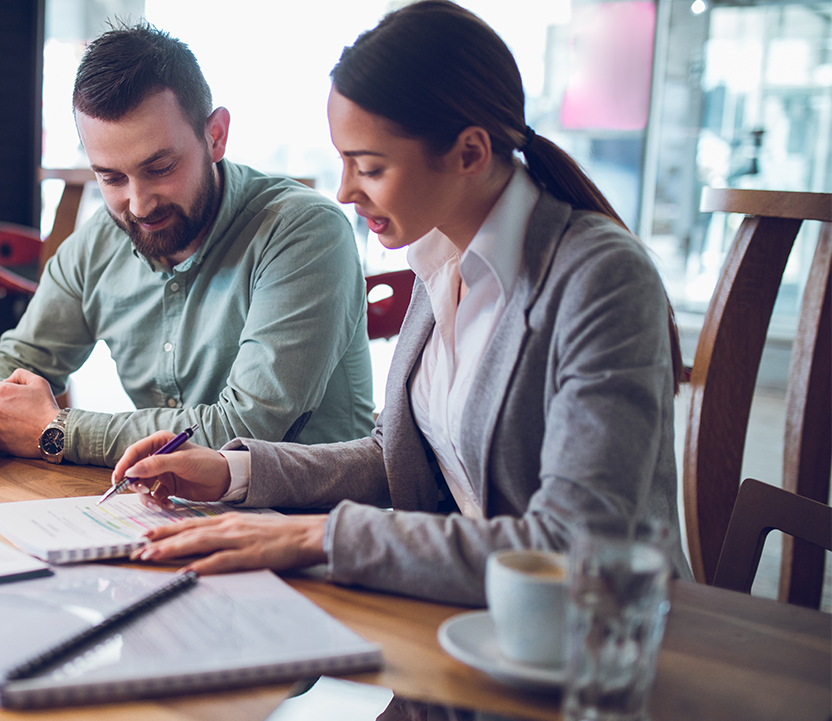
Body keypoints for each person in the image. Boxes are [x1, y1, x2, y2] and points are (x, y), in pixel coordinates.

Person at [112, 1, 693, 606]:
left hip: (590, 646)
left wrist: (318, 536)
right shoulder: (439, 255)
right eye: (343, 161)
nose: (344, 191)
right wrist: (234, 472)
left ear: (469, 154)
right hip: (459, 619)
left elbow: (573, 547)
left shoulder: (599, 278)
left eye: (369, 166)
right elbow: (402, 456)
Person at [0, 22, 375, 470]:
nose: (137, 205)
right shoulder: (100, 241)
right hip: (162, 511)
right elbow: (20, 355)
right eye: (111, 177)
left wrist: (58, 430)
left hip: (307, 523)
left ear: (215, 136)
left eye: (159, 168)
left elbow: (248, 429)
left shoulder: (303, 231)